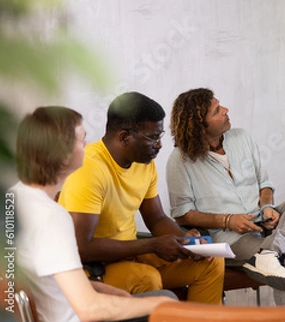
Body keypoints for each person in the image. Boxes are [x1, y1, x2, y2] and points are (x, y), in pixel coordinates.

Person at [58, 92, 224, 304]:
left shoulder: (144, 163)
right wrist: (152, 245)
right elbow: (81, 248)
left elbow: (156, 218)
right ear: (125, 137)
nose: (159, 145)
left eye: (160, 136)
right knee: (147, 279)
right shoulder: (89, 168)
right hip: (91, 269)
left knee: (211, 262)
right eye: (153, 138)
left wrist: (188, 243)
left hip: (129, 253)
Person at [12, 106, 175, 322]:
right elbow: (90, 310)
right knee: (166, 300)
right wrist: (162, 305)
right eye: (81, 140)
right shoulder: (52, 217)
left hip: (53, 310)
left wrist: (94, 286)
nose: (87, 146)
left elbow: (42, 276)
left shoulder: (14, 197)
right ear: (61, 153)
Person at [166, 88, 285, 305]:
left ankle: (269, 253)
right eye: (217, 110)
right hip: (229, 238)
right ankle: (274, 258)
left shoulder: (242, 138)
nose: (226, 110)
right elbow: (182, 215)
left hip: (262, 220)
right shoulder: (179, 160)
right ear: (200, 125)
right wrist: (227, 220)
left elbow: (264, 184)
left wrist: (267, 207)